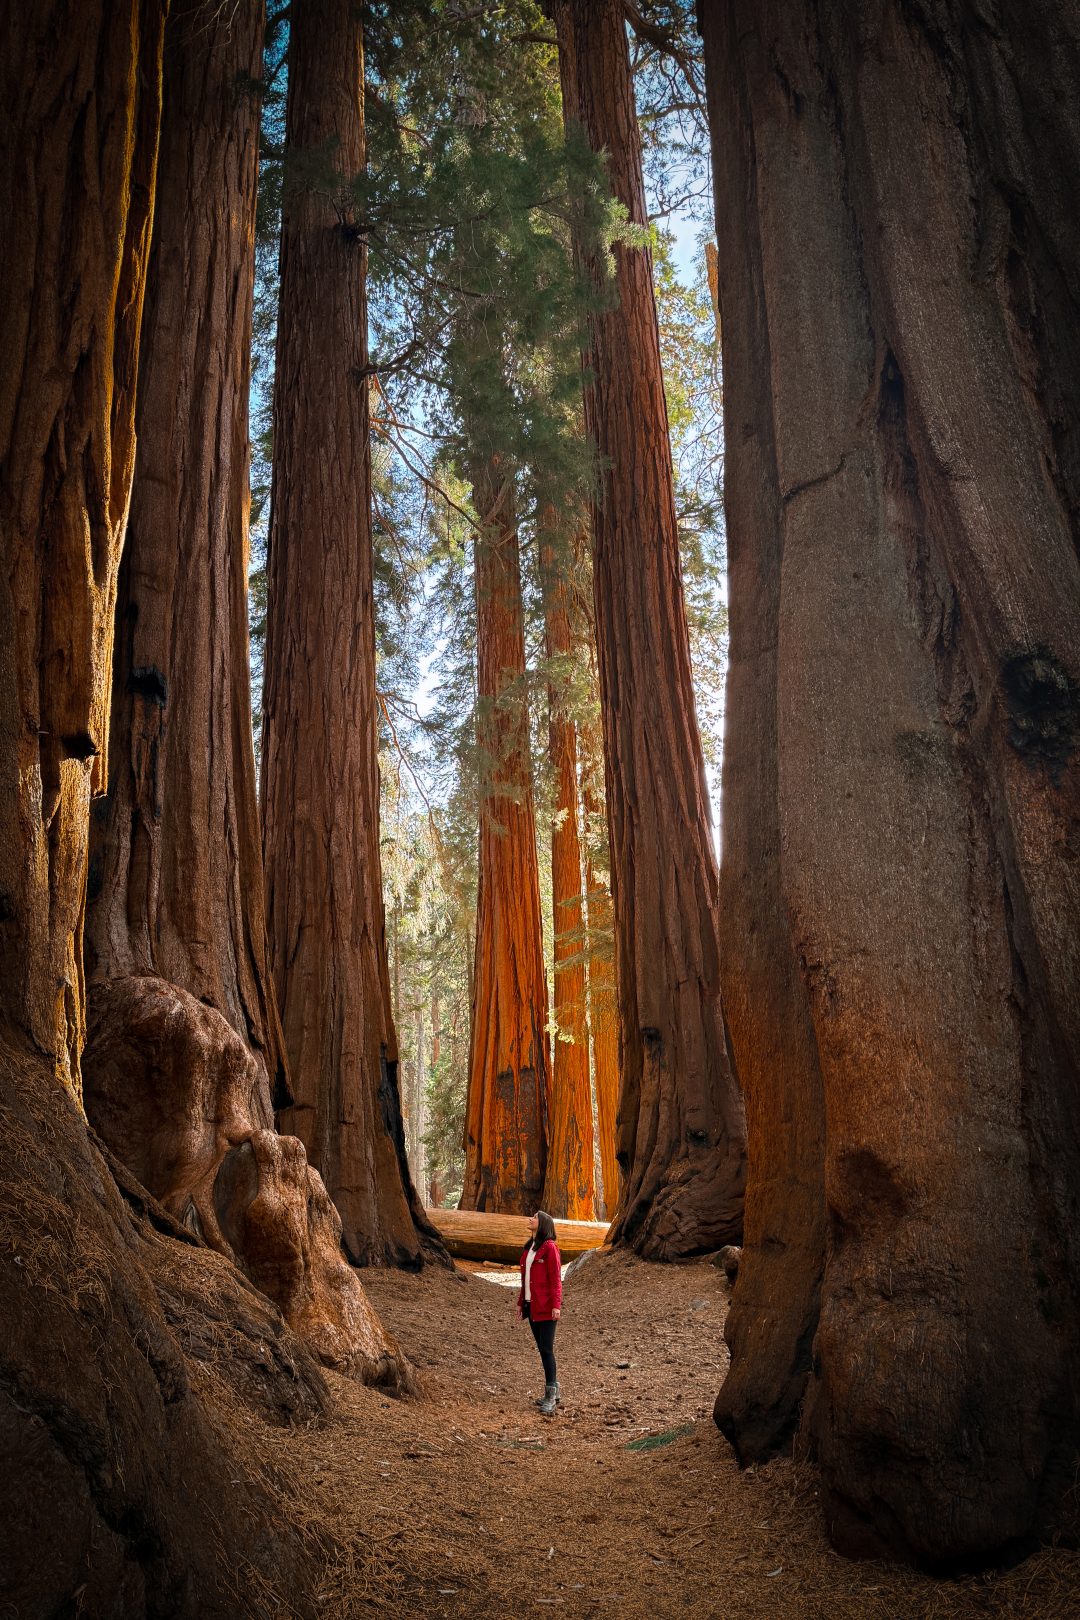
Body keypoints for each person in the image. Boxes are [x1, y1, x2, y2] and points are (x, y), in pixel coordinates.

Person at [517, 1209, 562, 1414]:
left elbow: (555, 1279)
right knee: (542, 1348)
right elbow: (525, 1280)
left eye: (534, 1217)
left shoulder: (550, 1248)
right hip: (532, 1305)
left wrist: (556, 1306)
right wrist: (521, 1303)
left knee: (546, 1349)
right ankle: (554, 1390)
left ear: (542, 1224)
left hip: (546, 1307)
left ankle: (551, 1395)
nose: (530, 1219)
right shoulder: (530, 1249)